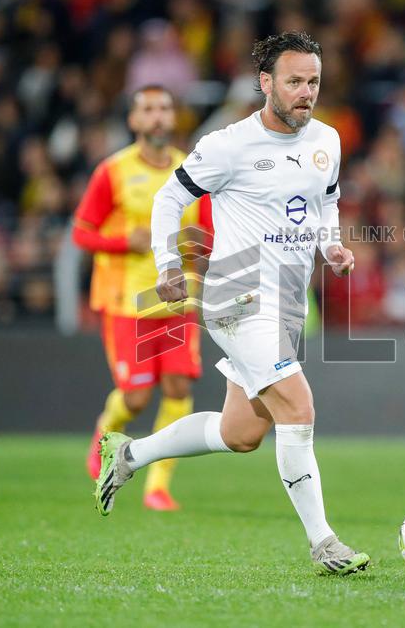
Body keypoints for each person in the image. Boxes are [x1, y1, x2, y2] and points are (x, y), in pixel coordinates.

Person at [93, 31, 370, 576]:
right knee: (299, 407)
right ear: (265, 83)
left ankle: (128, 455)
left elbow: (327, 199)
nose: (305, 93)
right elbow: (170, 197)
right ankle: (325, 544)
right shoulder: (228, 145)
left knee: (241, 433)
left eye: (313, 81)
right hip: (237, 297)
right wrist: (168, 265)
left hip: (287, 304)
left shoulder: (328, 140)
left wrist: (329, 243)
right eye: (294, 81)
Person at [73, 85, 212, 511]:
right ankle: (105, 434)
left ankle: (158, 485)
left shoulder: (192, 170)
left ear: (174, 118)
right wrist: (122, 241)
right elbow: (81, 232)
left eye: (165, 109)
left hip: (176, 302)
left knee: (177, 386)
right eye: (148, 109)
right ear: (133, 121)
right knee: (134, 397)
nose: (157, 117)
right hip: (125, 300)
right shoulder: (112, 171)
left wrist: (202, 279)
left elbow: (205, 234)